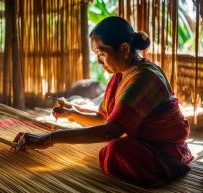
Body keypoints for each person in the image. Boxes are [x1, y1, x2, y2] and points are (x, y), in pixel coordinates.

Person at [13, 16, 193, 187]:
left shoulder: (145, 78)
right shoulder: (121, 74)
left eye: (101, 53)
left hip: (163, 150)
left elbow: (110, 131)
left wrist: (49, 139)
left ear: (124, 49)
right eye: (95, 54)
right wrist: (72, 114)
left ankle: (167, 167)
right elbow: (105, 117)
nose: (98, 61)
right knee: (113, 151)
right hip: (143, 142)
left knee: (117, 150)